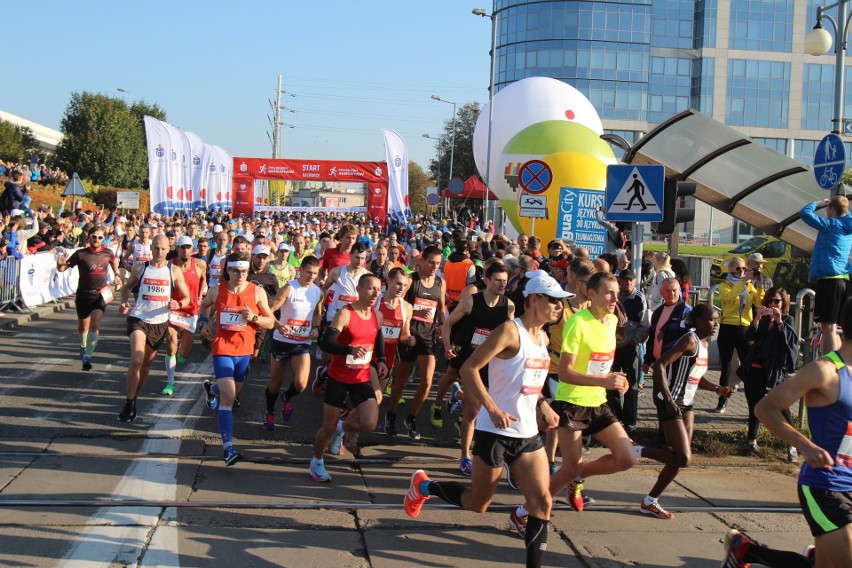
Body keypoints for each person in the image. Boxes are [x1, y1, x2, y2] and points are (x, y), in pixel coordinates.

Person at [403, 271, 569, 568]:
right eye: (554, 300)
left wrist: (543, 404)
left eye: (561, 302)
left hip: (527, 434)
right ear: (534, 299)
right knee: (477, 504)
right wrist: (491, 408)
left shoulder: (543, 337)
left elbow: (529, 382)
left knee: (542, 503)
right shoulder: (509, 331)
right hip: (494, 430)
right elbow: (469, 369)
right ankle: (423, 486)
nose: (559, 307)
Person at [721, 298, 852, 568]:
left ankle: (745, 551)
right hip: (826, 487)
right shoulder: (825, 371)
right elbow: (766, 408)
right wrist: (804, 445)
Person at [549, 271, 637, 512]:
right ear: (591, 293)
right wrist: (604, 381)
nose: (614, 298)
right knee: (569, 468)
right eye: (609, 292)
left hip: (598, 402)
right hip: (572, 403)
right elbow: (565, 373)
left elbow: (602, 364)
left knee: (626, 458)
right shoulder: (577, 322)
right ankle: (527, 509)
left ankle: (577, 477)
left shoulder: (610, 322)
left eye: (617, 293)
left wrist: (618, 380)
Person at [637, 304, 731, 519]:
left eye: (716, 319)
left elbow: (696, 377)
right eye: (711, 319)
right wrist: (669, 400)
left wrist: (718, 389)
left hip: (687, 403)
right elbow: (660, 365)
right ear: (697, 320)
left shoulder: (705, 344)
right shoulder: (689, 340)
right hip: (670, 400)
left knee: (679, 457)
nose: (715, 323)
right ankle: (637, 451)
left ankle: (650, 501)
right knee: (684, 458)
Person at [435, 262, 515, 474]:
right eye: (497, 280)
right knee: (473, 410)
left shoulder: (509, 306)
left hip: (492, 363)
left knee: (481, 404)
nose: (502, 284)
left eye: (505, 281)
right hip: (469, 360)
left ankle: (457, 396)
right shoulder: (471, 302)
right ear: (486, 280)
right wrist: (447, 346)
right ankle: (465, 457)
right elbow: (448, 323)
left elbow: (512, 336)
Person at [309, 273, 388, 482]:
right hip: (339, 376)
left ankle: (341, 429)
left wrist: (381, 360)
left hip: (361, 376)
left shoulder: (377, 315)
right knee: (326, 426)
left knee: (370, 423)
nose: (375, 293)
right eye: (371, 288)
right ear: (359, 290)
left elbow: (378, 336)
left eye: (378, 289)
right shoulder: (345, 313)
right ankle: (316, 462)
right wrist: (349, 350)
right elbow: (326, 343)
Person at [199, 251, 275, 465]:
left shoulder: (257, 292)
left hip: (244, 352)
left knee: (231, 390)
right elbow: (204, 306)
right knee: (229, 396)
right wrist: (204, 323)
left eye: (244, 271)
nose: (240, 275)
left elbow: (271, 322)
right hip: (222, 348)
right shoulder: (217, 291)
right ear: (228, 270)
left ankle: (211, 389)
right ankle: (228, 449)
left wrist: (255, 318)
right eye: (236, 271)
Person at [118, 234, 190, 422]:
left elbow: (187, 297)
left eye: (163, 249)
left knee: (146, 365)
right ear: (151, 248)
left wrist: (179, 305)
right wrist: (124, 303)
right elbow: (126, 288)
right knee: (137, 359)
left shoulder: (173, 271)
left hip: (159, 323)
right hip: (139, 319)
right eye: (156, 248)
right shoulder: (141, 268)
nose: (159, 252)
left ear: (169, 249)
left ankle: (133, 399)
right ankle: (128, 401)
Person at [385, 245, 446, 439]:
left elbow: (441, 307)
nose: (435, 266)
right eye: (431, 262)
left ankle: (411, 418)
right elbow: (398, 302)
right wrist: (401, 330)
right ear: (421, 261)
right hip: (409, 336)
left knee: (427, 381)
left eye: (438, 263)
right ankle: (391, 414)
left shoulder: (440, 283)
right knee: (400, 381)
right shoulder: (411, 281)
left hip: (428, 337)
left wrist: (442, 326)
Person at [263, 255, 323, 430]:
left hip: (302, 343)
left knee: (301, 384)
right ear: (300, 270)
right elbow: (270, 310)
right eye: (308, 273)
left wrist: (317, 328)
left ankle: (287, 398)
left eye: (315, 274)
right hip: (282, 341)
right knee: (275, 383)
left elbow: (318, 313)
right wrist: (278, 325)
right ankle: (269, 412)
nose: (311, 277)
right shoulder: (289, 288)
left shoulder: (317, 291)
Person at [742, 287, 799, 460]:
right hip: (756, 366)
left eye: (777, 301)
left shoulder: (787, 319)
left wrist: (780, 321)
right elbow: (749, 338)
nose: (773, 305)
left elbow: (789, 341)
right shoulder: (764, 319)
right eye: (770, 301)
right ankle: (752, 441)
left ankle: (792, 446)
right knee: (755, 405)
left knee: (782, 407)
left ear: (783, 303)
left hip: (775, 369)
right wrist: (757, 319)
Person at [56, 225, 123, 371]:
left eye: (100, 237)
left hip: (100, 294)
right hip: (83, 294)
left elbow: (113, 260)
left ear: (103, 239)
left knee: (95, 324)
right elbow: (62, 269)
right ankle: (83, 346)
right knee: (83, 327)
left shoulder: (108, 253)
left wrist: (117, 275)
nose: (97, 240)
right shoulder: (81, 254)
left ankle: (88, 356)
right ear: (89, 237)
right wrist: (59, 262)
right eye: (94, 236)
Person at [800, 196, 852, 354]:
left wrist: (819, 203)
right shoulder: (848, 226)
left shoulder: (831, 225)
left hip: (829, 282)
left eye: (828, 208)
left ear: (832, 210)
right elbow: (845, 214)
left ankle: (829, 364)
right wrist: (842, 206)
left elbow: (805, 214)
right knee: (834, 326)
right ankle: (838, 363)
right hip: (843, 281)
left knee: (828, 327)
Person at [715, 257, 764, 413]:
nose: (742, 272)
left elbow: (759, 302)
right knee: (726, 366)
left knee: (748, 366)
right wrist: (744, 282)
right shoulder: (724, 285)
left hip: (744, 328)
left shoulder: (750, 285)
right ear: (730, 270)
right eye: (738, 269)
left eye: (744, 269)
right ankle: (722, 400)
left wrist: (759, 283)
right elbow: (728, 298)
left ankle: (753, 404)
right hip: (728, 327)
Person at [161, 235, 206, 395]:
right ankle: (170, 382)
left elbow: (203, 280)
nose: (185, 250)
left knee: (185, 354)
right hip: (173, 309)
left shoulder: (200, 264)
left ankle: (179, 356)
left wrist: (200, 296)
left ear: (192, 249)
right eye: (182, 247)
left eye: (188, 247)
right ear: (177, 249)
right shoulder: (169, 266)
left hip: (191, 310)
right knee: (171, 344)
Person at [610, 269, 650, 432]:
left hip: (631, 347)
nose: (628, 283)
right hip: (612, 347)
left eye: (631, 280)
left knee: (632, 384)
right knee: (611, 383)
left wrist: (635, 341)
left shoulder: (640, 298)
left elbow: (646, 324)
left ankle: (630, 420)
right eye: (625, 280)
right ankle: (614, 416)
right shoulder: (615, 296)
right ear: (619, 281)